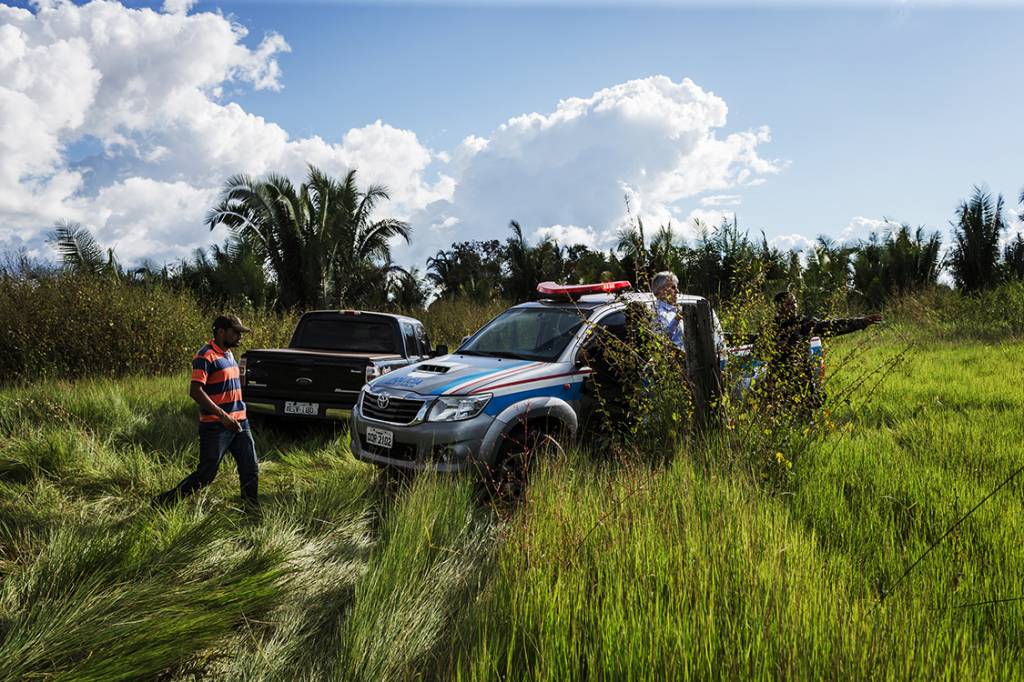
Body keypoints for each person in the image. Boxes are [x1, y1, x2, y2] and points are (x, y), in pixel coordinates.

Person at [155, 314, 259, 509]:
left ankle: (251, 510)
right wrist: (223, 416)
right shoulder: (205, 355)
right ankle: (163, 503)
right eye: (235, 332)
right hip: (216, 426)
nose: (240, 336)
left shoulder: (228, 354)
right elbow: (195, 391)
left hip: (240, 423)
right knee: (206, 475)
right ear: (221, 332)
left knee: (250, 468)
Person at [759, 290, 882, 412]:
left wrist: (861, 322)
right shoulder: (770, 328)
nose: (794, 306)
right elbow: (759, 349)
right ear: (779, 307)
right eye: (789, 304)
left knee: (805, 412)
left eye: (795, 302)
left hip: (801, 379)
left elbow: (831, 326)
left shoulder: (803, 324)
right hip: (778, 381)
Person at [651, 271, 684, 350]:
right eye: (673, 287)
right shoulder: (656, 312)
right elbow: (662, 341)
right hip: (675, 360)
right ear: (661, 290)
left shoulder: (675, 309)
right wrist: (677, 319)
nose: (677, 291)